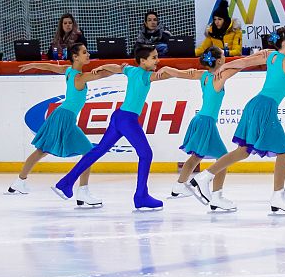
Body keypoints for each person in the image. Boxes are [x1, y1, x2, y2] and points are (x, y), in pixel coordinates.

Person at [187, 27, 285, 215]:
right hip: (265, 107)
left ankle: (205, 176)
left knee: (243, 151)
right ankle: (278, 197)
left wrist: (226, 66)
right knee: (283, 151)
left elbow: (244, 62)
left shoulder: (270, 56)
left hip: (256, 104)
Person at [52, 45, 195, 209]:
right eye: (154, 57)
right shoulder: (145, 76)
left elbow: (118, 67)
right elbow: (167, 74)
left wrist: (103, 66)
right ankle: (141, 196)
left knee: (98, 150)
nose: (158, 60)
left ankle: (65, 182)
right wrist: (181, 72)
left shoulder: (132, 70)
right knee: (146, 154)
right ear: (143, 61)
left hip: (118, 117)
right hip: (128, 120)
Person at [6, 44, 118, 204]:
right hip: (64, 117)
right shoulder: (80, 77)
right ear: (75, 57)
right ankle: (83, 192)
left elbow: (50, 67)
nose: (88, 54)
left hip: (60, 114)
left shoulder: (69, 71)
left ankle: (19, 182)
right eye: (84, 52)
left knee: (42, 150)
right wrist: (120, 69)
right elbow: (104, 74)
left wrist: (33, 64)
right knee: (89, 151)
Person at [169, 47, 240, 211]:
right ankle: (217, 197)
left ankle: (179, 186)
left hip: (199, 119)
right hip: (206, 121)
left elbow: (180, 73)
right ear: (220, 61)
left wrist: (166, 69)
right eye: (223, 55)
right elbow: (238, 67)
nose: (226, 57)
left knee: (196, 157)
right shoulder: (218, 78)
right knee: (223, 158)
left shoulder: (203, 76)